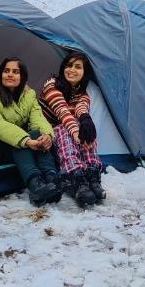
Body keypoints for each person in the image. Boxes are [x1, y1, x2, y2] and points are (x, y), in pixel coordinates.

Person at [0, 57, 61, 206]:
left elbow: (38, 119)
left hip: (12, 146)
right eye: (6, 71)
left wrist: (47, 136)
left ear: (22, 77)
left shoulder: (29, 95)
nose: (10, 75)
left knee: (38, 135)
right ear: (0, 74)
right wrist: (25, 140)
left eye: (15, 72)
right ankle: (35, 184)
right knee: (20, 140)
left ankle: (52, 178)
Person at [40, 52, 105, 207]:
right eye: (69, 65)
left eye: (78, 67)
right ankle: (74, 177)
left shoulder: (83, 94)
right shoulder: (52, 84)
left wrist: (86, 124)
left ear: (85, 72)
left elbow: (82, 110)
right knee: (65, 128)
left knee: (87, 129)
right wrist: (76, 133)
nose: (72, 70)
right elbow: (62, 111)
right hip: (45, 130)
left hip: (66, 131)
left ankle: (92, 175)